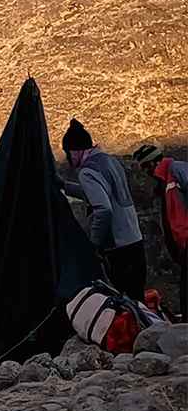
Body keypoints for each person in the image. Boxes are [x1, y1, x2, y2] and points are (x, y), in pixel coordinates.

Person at [60, 118, 146, 299]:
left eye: (67, 152)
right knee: (138, 301)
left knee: (126, 307)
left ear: (75, 151)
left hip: (118, 248)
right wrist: (64, 186)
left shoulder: (87, 171)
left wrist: (93, 244)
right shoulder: (110, 161)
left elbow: (103, 209)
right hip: (135, 240)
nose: (68, 158)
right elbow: (98, 194)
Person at [135, 143, 188, 320]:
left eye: (144, 166)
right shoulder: (163, 182)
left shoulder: (177, 171)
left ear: (151, 163)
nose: (144, 172)